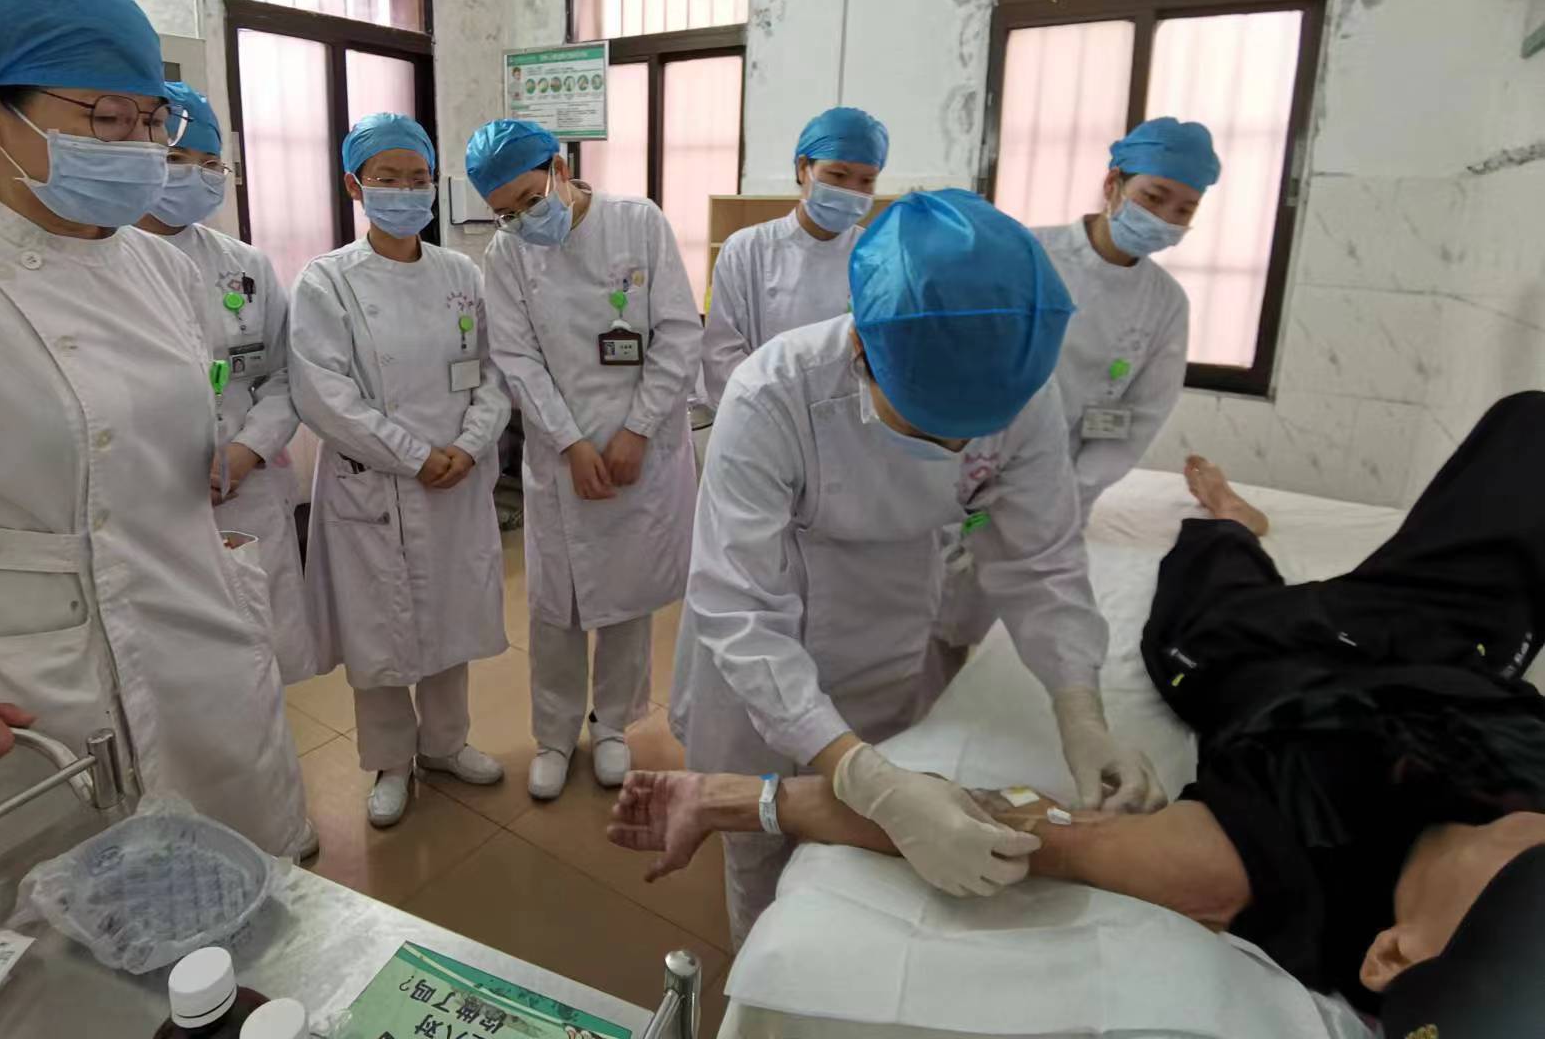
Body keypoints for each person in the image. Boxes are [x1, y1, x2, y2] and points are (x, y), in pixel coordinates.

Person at [616, 393, 1545, 1035]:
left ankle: (1229, 515)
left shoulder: (1268, 862)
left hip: (1275, 656)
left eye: (1521, 894)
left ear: (1389, 957)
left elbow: (1005, 823)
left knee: (1215, 564)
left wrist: (733, 797)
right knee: (1530, 428)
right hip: (1446, 647)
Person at [0, 0, 310, 860]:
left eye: (152, 120)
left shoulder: (161, 268)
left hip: (199, 644)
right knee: (64, 923)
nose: (140, 146)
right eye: (106, 118)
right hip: (29, 685)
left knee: (241, 888)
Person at [669, 188, 1164, 947]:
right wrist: (865, 780)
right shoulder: (773, 395)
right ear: (862, 351)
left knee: (864, 862)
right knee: (762, 847)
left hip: (892, 621)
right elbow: (740, 607)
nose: (953, 453)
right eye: (929, 427)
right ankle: (761, 962)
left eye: (969, 436)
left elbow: (1041, 561)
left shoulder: (1021, 391)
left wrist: (1081, 712)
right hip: (767, 651)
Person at [290, 113, 511, 828]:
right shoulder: (327, 281)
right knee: (378, 629)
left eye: (418, 179)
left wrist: (469, 446)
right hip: (376, 482)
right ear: (355, 186)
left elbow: (494, 372)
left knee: (449, 616)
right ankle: (389, 760)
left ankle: (446, 744)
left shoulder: (461, 274)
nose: (406, 192)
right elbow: (323, 393)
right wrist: (415, 455)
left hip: (456, 477)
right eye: (388, 178)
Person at [470, 119, 700, 802]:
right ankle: (553, 735)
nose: (522, 220)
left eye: (528, 200)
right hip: (559, 455)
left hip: (640, 450)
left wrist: (637, 430)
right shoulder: (508, 254)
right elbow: (517, 358)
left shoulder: (638, 223)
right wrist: (570, 444)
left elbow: (678, 332)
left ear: (561, 169)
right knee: (555, 609)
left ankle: (614, 727)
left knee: (627, 601)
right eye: (505, 213)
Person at [135, 81, 322, 685]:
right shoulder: (104, 261)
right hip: (150, 497)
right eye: (176, 159)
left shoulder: (245, 265)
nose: (196, 175)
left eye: (210, 163)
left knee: (260, 653)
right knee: (174, 671)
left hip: (247, 486)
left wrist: (246, 450)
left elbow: (285, 372)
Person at [1037, 117, 1217, 522]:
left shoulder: (1166, 302)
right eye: (1153, 197)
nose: (1165, 218)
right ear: (1112, 185)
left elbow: (1141, 414)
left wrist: (1072, 492)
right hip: (976, 472)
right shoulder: (1029, 254)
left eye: (1184, 209)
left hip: (1066, 499)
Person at [700, 107, 888, 408]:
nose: (851, 191)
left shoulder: (877, 256)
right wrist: (768, 413)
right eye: (838, 175)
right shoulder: (747, 250)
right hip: (764, 415)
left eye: (866, 181)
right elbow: (721, 353)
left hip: (851, 418)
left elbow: (885, 353)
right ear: (803, 168)